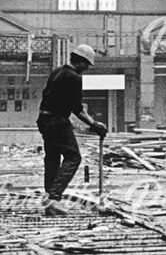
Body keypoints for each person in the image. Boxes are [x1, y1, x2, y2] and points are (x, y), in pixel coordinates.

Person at [37, 44, 107, 215]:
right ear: (81, 62)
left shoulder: (57, 71)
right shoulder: (73, 77)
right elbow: (77, 109)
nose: (86, 69)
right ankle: (54, 196)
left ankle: (49, 200)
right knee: (73, 157)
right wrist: (94, 125)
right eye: (87, 65)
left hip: (44, 120)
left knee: (52, 158)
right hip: (57, 121)